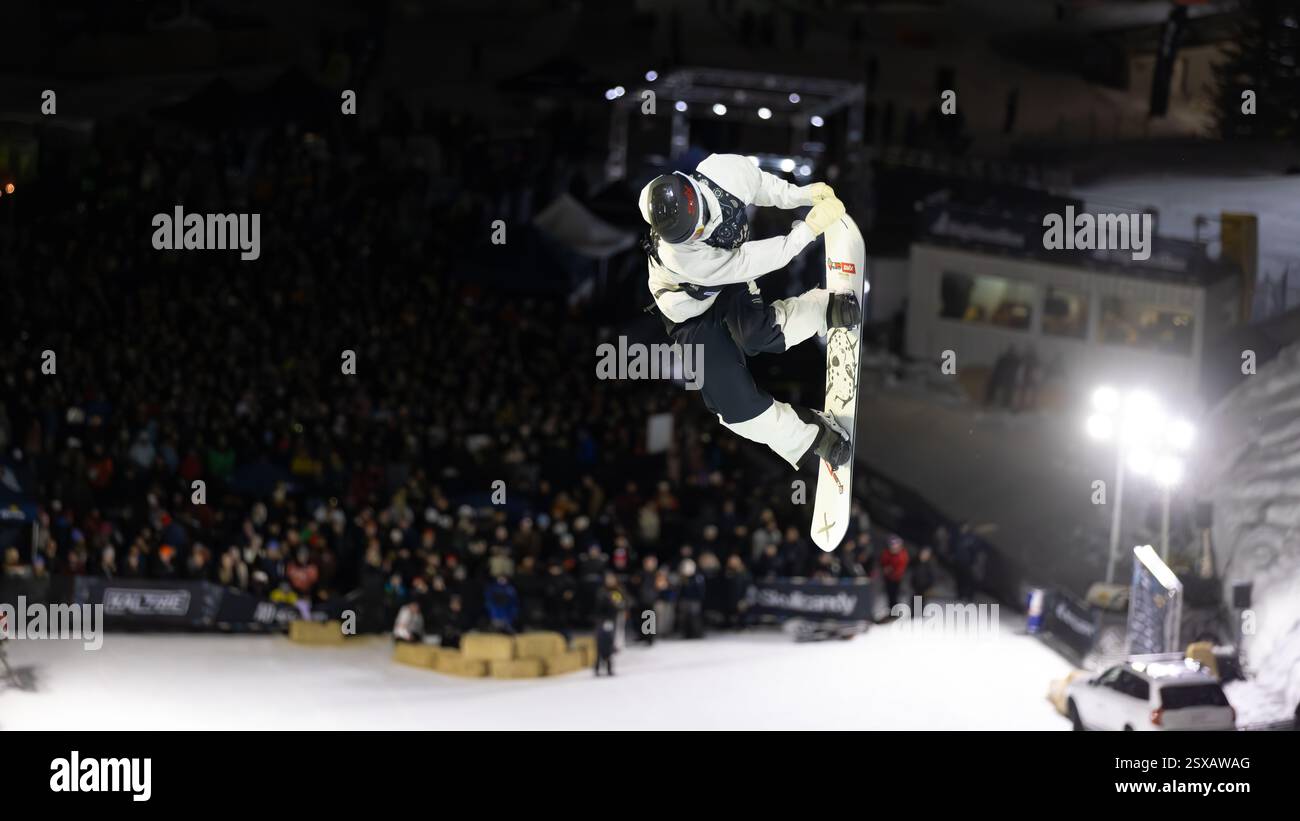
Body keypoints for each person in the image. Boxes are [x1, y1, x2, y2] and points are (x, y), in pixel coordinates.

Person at [638, 155, 860, 473]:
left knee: (757, 334)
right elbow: (753, 260)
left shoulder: (722, 172)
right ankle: (813, 434)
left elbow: (761, 185)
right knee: (734, 408)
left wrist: (804, 194)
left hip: (724, 275)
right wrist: (809, 229)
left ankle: (824, 310)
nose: (698, 235)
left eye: (697, 227)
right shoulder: (683, 257)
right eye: (691, 235)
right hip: (688, 311)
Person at [879, 535, 910, 610]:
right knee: (890, 595)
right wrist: (886, 569)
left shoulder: (902, 554)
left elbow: (902, 567)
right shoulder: (886, 553)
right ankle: (891, 611)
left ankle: (895, 611)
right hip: (888, 578)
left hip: (898, 578)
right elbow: (882, 562)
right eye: (893, 545)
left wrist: (892, 570)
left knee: (896, 595)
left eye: (896, 545)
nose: (894, 547)